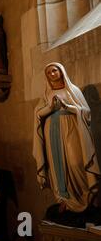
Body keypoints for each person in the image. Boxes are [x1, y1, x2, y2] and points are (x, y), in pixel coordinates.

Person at [33, 63, 101, 213]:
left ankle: (86, 196)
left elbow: (86, 111)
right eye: (49, 72)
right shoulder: (46, 94)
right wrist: (50, 108)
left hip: (71, 130)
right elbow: (38, 114)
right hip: (52, 131)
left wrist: (68, 107)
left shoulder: (73, 90)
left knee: (75, 162)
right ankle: (64, 201)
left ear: (61, 71)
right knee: (57, 167)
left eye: (54, 70)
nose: (52, 74)